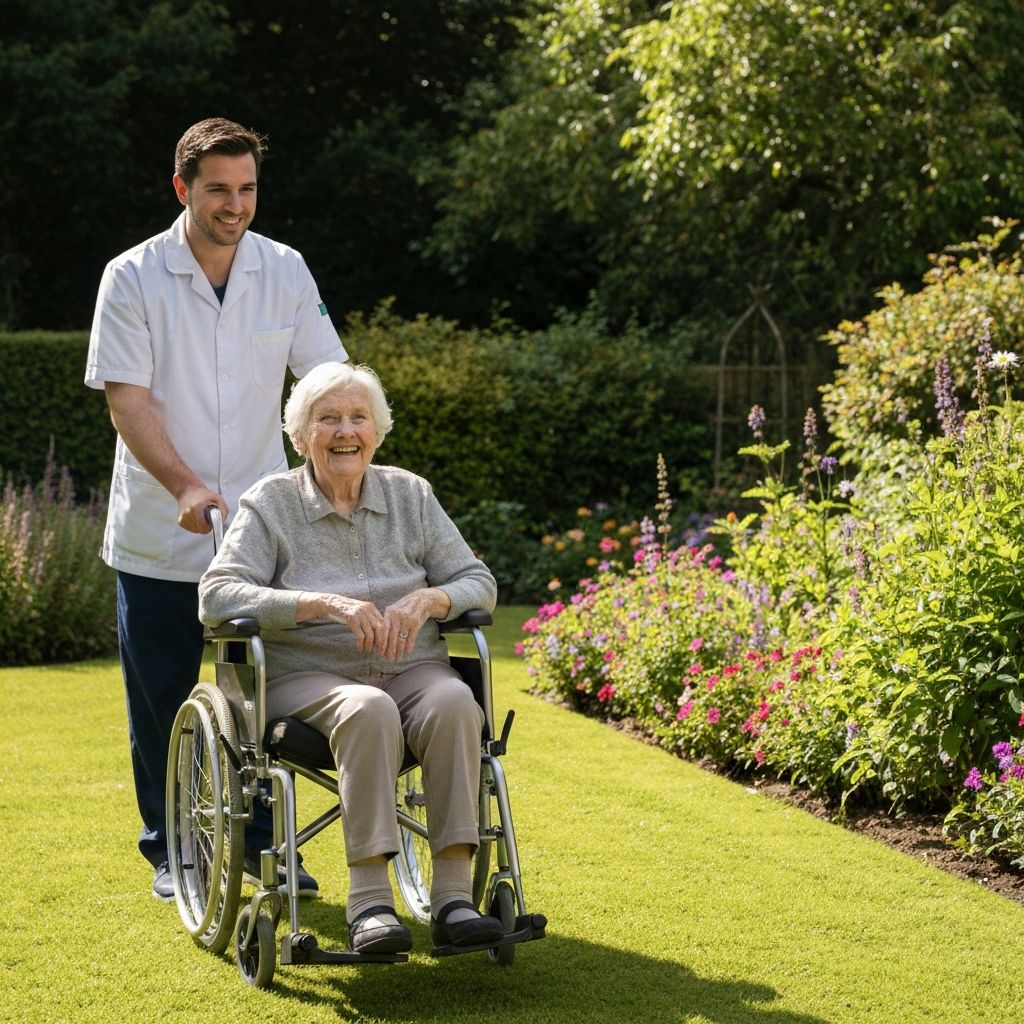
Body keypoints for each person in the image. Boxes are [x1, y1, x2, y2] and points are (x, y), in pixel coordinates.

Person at [85, 117, 345, 901]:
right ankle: (173, 851)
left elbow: (327, 377)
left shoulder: (285, 269)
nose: (236, 205)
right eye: (219, 191)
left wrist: (341, 449)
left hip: (263, 537)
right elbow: (128, 403)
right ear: (183, 189)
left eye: (248, 189)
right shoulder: (130, 277)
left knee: (263, 700)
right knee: (163, 702)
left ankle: (269, 850)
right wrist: (187, 485)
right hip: (160, 532)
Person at [197, 361, 504, 953]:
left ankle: (454, 900)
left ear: (377, 431)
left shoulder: (411, 495)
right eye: (328, 418)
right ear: (300, 434)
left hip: (412, 668)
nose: (345, 431)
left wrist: (430, 598)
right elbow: (216, 595)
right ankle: (370, 904)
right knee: (367, 709)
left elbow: (477, 581)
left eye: (358, 417)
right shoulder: (272, 502)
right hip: (305, 680)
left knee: (454, 703)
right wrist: (315, 603)